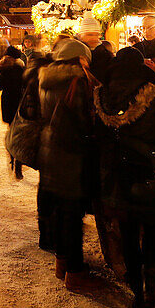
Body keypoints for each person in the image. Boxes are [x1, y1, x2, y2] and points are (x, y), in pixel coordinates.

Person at [93, 46, 155, 308]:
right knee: (152, 232)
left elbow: (97, 138)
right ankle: (153, 289)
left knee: (128, 233)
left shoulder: (101, 97)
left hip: (116, 179)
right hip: (146, 174)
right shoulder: (151, 96)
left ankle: (137, 293)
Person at [36, 38, 102, 294]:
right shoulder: (77, 80)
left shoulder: (48, 78)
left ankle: (62, 262)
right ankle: (75, 272)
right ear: (79, 58)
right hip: (72, 154)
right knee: (72, 215)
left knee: (62, 212)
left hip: (51, 150)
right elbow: (83, 121)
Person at [0, 45, 28, 178]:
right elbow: (26, 86)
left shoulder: (1, 68)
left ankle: (12, 157)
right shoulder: (19, 68)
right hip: (19, 102)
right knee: (19, 133)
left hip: (6, 102)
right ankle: (18, 164)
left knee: (11, 131)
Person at [75, 15, 114, 83]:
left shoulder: (105, 55)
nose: (93, 38)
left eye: (96, 35)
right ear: (81, 35)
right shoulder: (73, 52)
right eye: (89, 35)